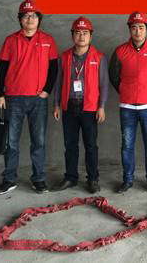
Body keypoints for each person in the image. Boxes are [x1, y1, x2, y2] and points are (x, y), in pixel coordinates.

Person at [0, 0, 58, 195]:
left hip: (38, 100)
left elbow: (54, 69)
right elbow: (2, 68)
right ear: (20, 19)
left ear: (39, 19)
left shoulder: (48, 40)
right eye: (26, 16)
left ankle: (38, 179)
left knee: (38, 141)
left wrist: (47, 90)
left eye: (33, 16)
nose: (30, 19)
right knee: (11, 142)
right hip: (13, 98)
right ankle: (9, 179)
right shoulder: (11, 40)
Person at [109, 11, 147, 193]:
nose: (138, 31)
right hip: (127, 107)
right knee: (127, 145)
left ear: (146, 29)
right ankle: (128, 179)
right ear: (129, 29)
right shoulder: (120, 51)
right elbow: (114, 77)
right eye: (134, 27)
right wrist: (126, 91)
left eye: (141, 27)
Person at [52, 16, 108, 193]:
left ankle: (93, 179)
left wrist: (101, 106)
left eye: (85, 33)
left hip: (90, 107)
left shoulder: (99, 57)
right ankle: (71, 177)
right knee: (70, 145)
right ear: (72, 36)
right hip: (69, 106)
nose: (81, 36)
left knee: (91, 145)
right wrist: (56, 104)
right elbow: (59, 82)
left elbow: (104, 84)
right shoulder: (65, 57)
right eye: (78, 33)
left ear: (91, 36)